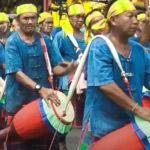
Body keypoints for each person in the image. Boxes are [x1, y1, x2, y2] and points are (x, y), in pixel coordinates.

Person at [4, 3, 77, 150]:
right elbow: (16, 73)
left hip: (44, 104)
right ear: (17, 20)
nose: (30, 21)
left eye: (33, 18)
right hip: (19, 104)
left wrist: (67, 69)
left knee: (46, 145)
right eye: (26, 18)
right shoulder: (13, 42)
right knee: (21, 144)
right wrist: (40, 89)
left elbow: (55, 67)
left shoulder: (45, 40)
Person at [80, 0, 150, 149]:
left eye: (136, 17)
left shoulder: (139, 50)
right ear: (113, 20)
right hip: (101, 127)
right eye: (129, 16)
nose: (135, 21)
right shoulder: (99, 45)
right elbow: (106, 85)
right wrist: (138, 109)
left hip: (130, 126)